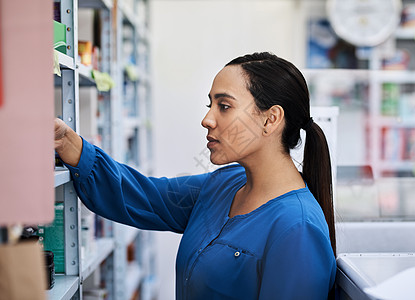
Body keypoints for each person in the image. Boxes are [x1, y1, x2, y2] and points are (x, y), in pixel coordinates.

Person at [55, 52, 336, 300]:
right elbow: (145, 197)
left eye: (224, 106)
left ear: (270, 119)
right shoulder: (225, 183)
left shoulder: (297, 229)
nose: (207, 119)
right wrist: (70, 144)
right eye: (210, 106)